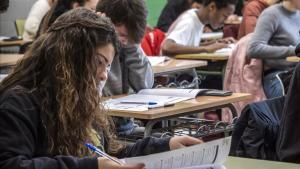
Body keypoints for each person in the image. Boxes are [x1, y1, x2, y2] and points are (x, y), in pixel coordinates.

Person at [0, 8, 202, 169]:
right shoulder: (20, 102)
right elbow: (11, 164)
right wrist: (91, 166)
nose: (104, 74)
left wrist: (164, 145)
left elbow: (108, 155)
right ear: (70, 57)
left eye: (107, 65)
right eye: (98, 62)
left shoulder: (78, 99)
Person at [96, 0, 153, 136]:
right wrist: (98, 37)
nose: (124, 41)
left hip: (125, 125)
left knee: (163, 140)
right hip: (98, 127)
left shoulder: (128, 45)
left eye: (130, 37)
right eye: (121, 35)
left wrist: (133, 46)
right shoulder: (90, 46)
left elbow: (145, 86)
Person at [247, 0, 300, 99]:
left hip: (295, 72)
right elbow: (254, 48)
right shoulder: (271, 14)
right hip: (277, 75)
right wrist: (293, 51)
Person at [161, 0, 237, 56]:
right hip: (172, 75)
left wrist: (215, 43)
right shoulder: (189, 22)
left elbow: (188, 46)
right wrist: (206, 49)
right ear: (212, 7)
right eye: (225, 16)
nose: (225, 21)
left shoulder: (197, 18)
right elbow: (167, 46)